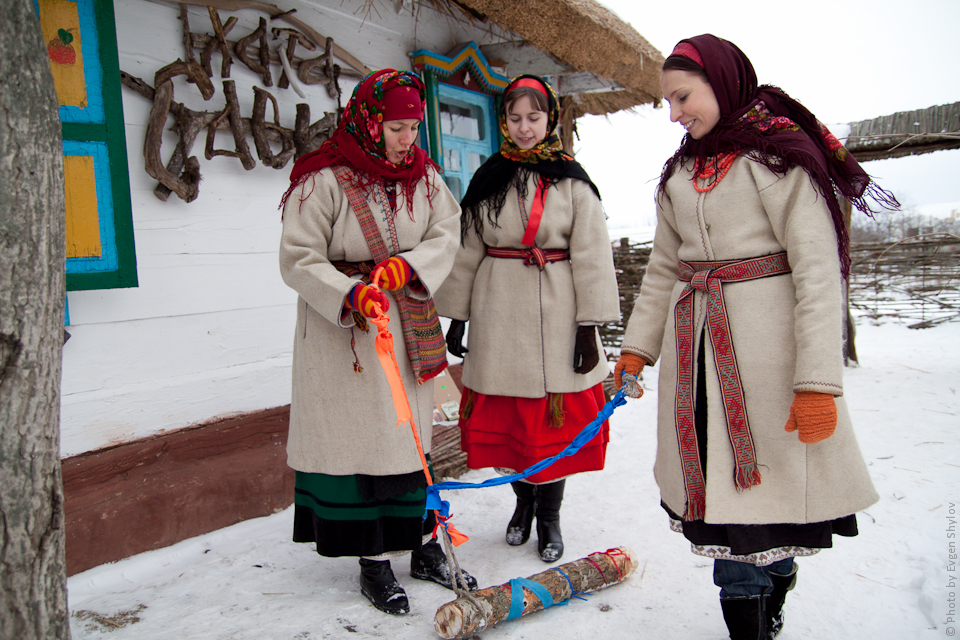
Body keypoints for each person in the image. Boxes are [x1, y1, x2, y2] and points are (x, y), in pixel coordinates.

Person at [615, 35, 895, 639]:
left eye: (682, 97)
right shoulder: (680, 173)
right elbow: (664, 268)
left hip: (768, 366)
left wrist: (818, 383)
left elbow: (819, 273)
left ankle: (778, 585)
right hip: (697, 362)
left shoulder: (780, 160)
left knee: (769, 513)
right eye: (667, 102)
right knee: (728, 523)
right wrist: (639, 348)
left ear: (723, 82)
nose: (674, 113)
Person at [278, 69, 476, 616]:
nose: (406, 138)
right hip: (344, 336)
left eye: (413, 126)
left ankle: (425, 546)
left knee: (412, 441)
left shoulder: (425, 177)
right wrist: (348, 292)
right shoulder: (321, 180)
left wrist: (408, 267)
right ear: (368, 120)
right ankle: (374, 562)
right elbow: (297, 257)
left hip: (405, 320)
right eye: (395, 127)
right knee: (363, 444)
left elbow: (446, 232)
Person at [434, 75, 620, 564]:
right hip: (498, 309)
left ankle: (550, 515)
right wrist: (457, 316)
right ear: (503, 121)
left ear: (550, 119)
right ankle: (522, 506)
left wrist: (588, 327)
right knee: (515, 423)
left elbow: (593, 253)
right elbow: (468, 247)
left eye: (533, 118)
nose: (524, 127)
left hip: (558, 308)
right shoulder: (488, 177)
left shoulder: (573, 180)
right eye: (515, 119)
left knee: (549, 425)